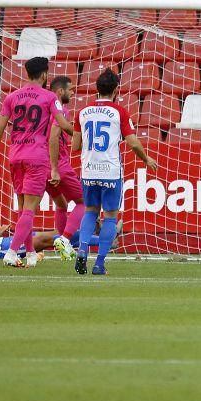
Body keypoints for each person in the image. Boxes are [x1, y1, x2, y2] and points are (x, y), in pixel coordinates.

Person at [0, 57, 74, 268]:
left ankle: (31, 253)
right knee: (29, 210)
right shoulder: (50, 97)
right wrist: (79, 134)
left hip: (15, 155)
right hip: (37, 157)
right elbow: (61, 124)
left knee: (23, 208)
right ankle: (12, 252)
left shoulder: (12, 97)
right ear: (44, 75)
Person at [72, 68, 157, 275]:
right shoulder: (119, 112)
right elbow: (133, 142)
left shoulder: (82, 112)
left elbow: (75, 145)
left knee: (91, 211)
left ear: (97, 89)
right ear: (116, 90)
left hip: (89, 170)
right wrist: (146, 158)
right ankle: (99, 264)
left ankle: (82, 250)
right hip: (110, 171)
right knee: (110, 216)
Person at [47, 75, 84, 260]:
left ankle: (63, 247)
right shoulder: (59, 108)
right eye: (70, 89)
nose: (72, 92)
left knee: (61, 203)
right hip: (57, 164)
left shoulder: (43, 104)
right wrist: (55, 167)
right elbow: (54, 135)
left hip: (40, 164)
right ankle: (65, 239)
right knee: (84, 202)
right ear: (60, 91)